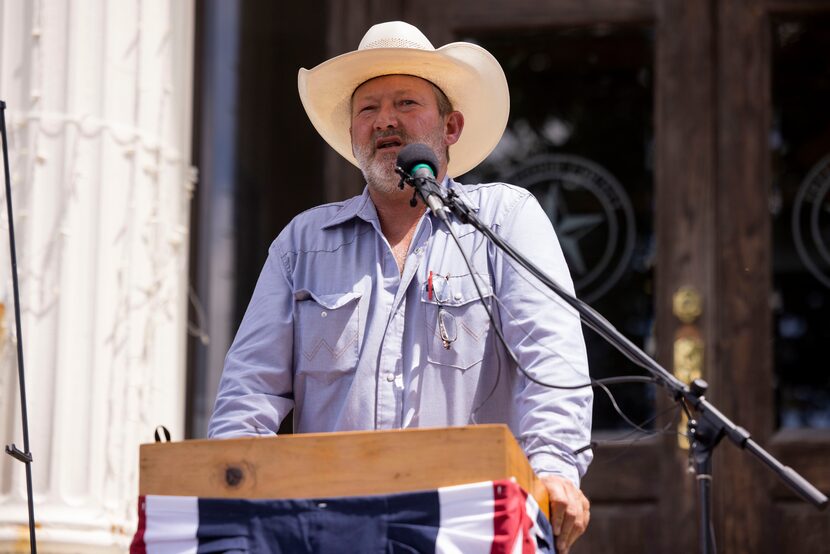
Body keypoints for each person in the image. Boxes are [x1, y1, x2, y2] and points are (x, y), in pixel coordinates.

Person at [209, 21, 593, 553]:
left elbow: (552, 364)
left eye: (406, 102)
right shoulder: (302, 244)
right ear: (352, 133)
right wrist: (225, 495)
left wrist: (554, 470)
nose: (384, 120)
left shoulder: (504, 221)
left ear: (450, 127)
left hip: (470, 522)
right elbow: (250, 391)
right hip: (327, 526)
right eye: (367, 109)